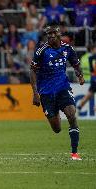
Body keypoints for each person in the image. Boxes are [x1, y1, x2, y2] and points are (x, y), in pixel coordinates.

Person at [30, 22, 85, 161]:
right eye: (49, 34)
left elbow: (76, 64)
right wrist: (35, 93)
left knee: (72, 115)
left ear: (60, 34)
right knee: (57, 129)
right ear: (47, 36)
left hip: (63, 88)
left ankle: (74, 153)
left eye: (55, 33)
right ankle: (55, 115)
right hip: (46, 92)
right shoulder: (41, 51)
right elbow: (33, 71)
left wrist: (80, 75)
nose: (52, 35)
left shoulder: (68, 49)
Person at [77, 44, 96, 111]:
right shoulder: (92, 57)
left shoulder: (85, 57)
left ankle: (79, 107)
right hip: (93, 78)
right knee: (88, 95)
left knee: (88, 95)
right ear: (92, 49)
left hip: (91, 78)